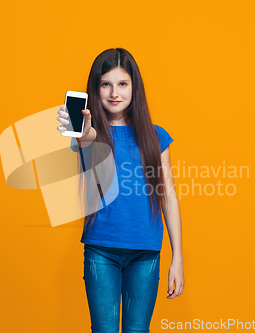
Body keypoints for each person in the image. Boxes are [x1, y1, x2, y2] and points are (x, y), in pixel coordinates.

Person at [56, 48, 184, 333]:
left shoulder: (156, 136)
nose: (115, 92)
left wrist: (178, 259)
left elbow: (168, 197)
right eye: (106, 84)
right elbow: (86, 140)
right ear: (95, 88)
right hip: (101, 251)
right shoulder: (90, 134)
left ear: (133, 87)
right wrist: (84, 130)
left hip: (146, 253)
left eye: (122, 84)